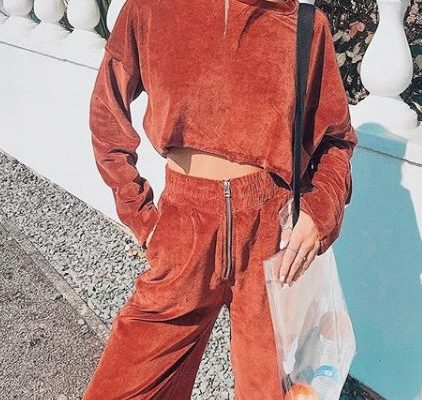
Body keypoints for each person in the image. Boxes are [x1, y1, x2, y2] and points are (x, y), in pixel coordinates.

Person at [83, 0, 358, 398]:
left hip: (270, 235)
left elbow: (336, 140)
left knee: (270, 391)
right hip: (184, 225)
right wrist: (140, 214)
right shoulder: (150, 9)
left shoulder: (302, 24)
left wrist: (318, 214)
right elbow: (106, 114)